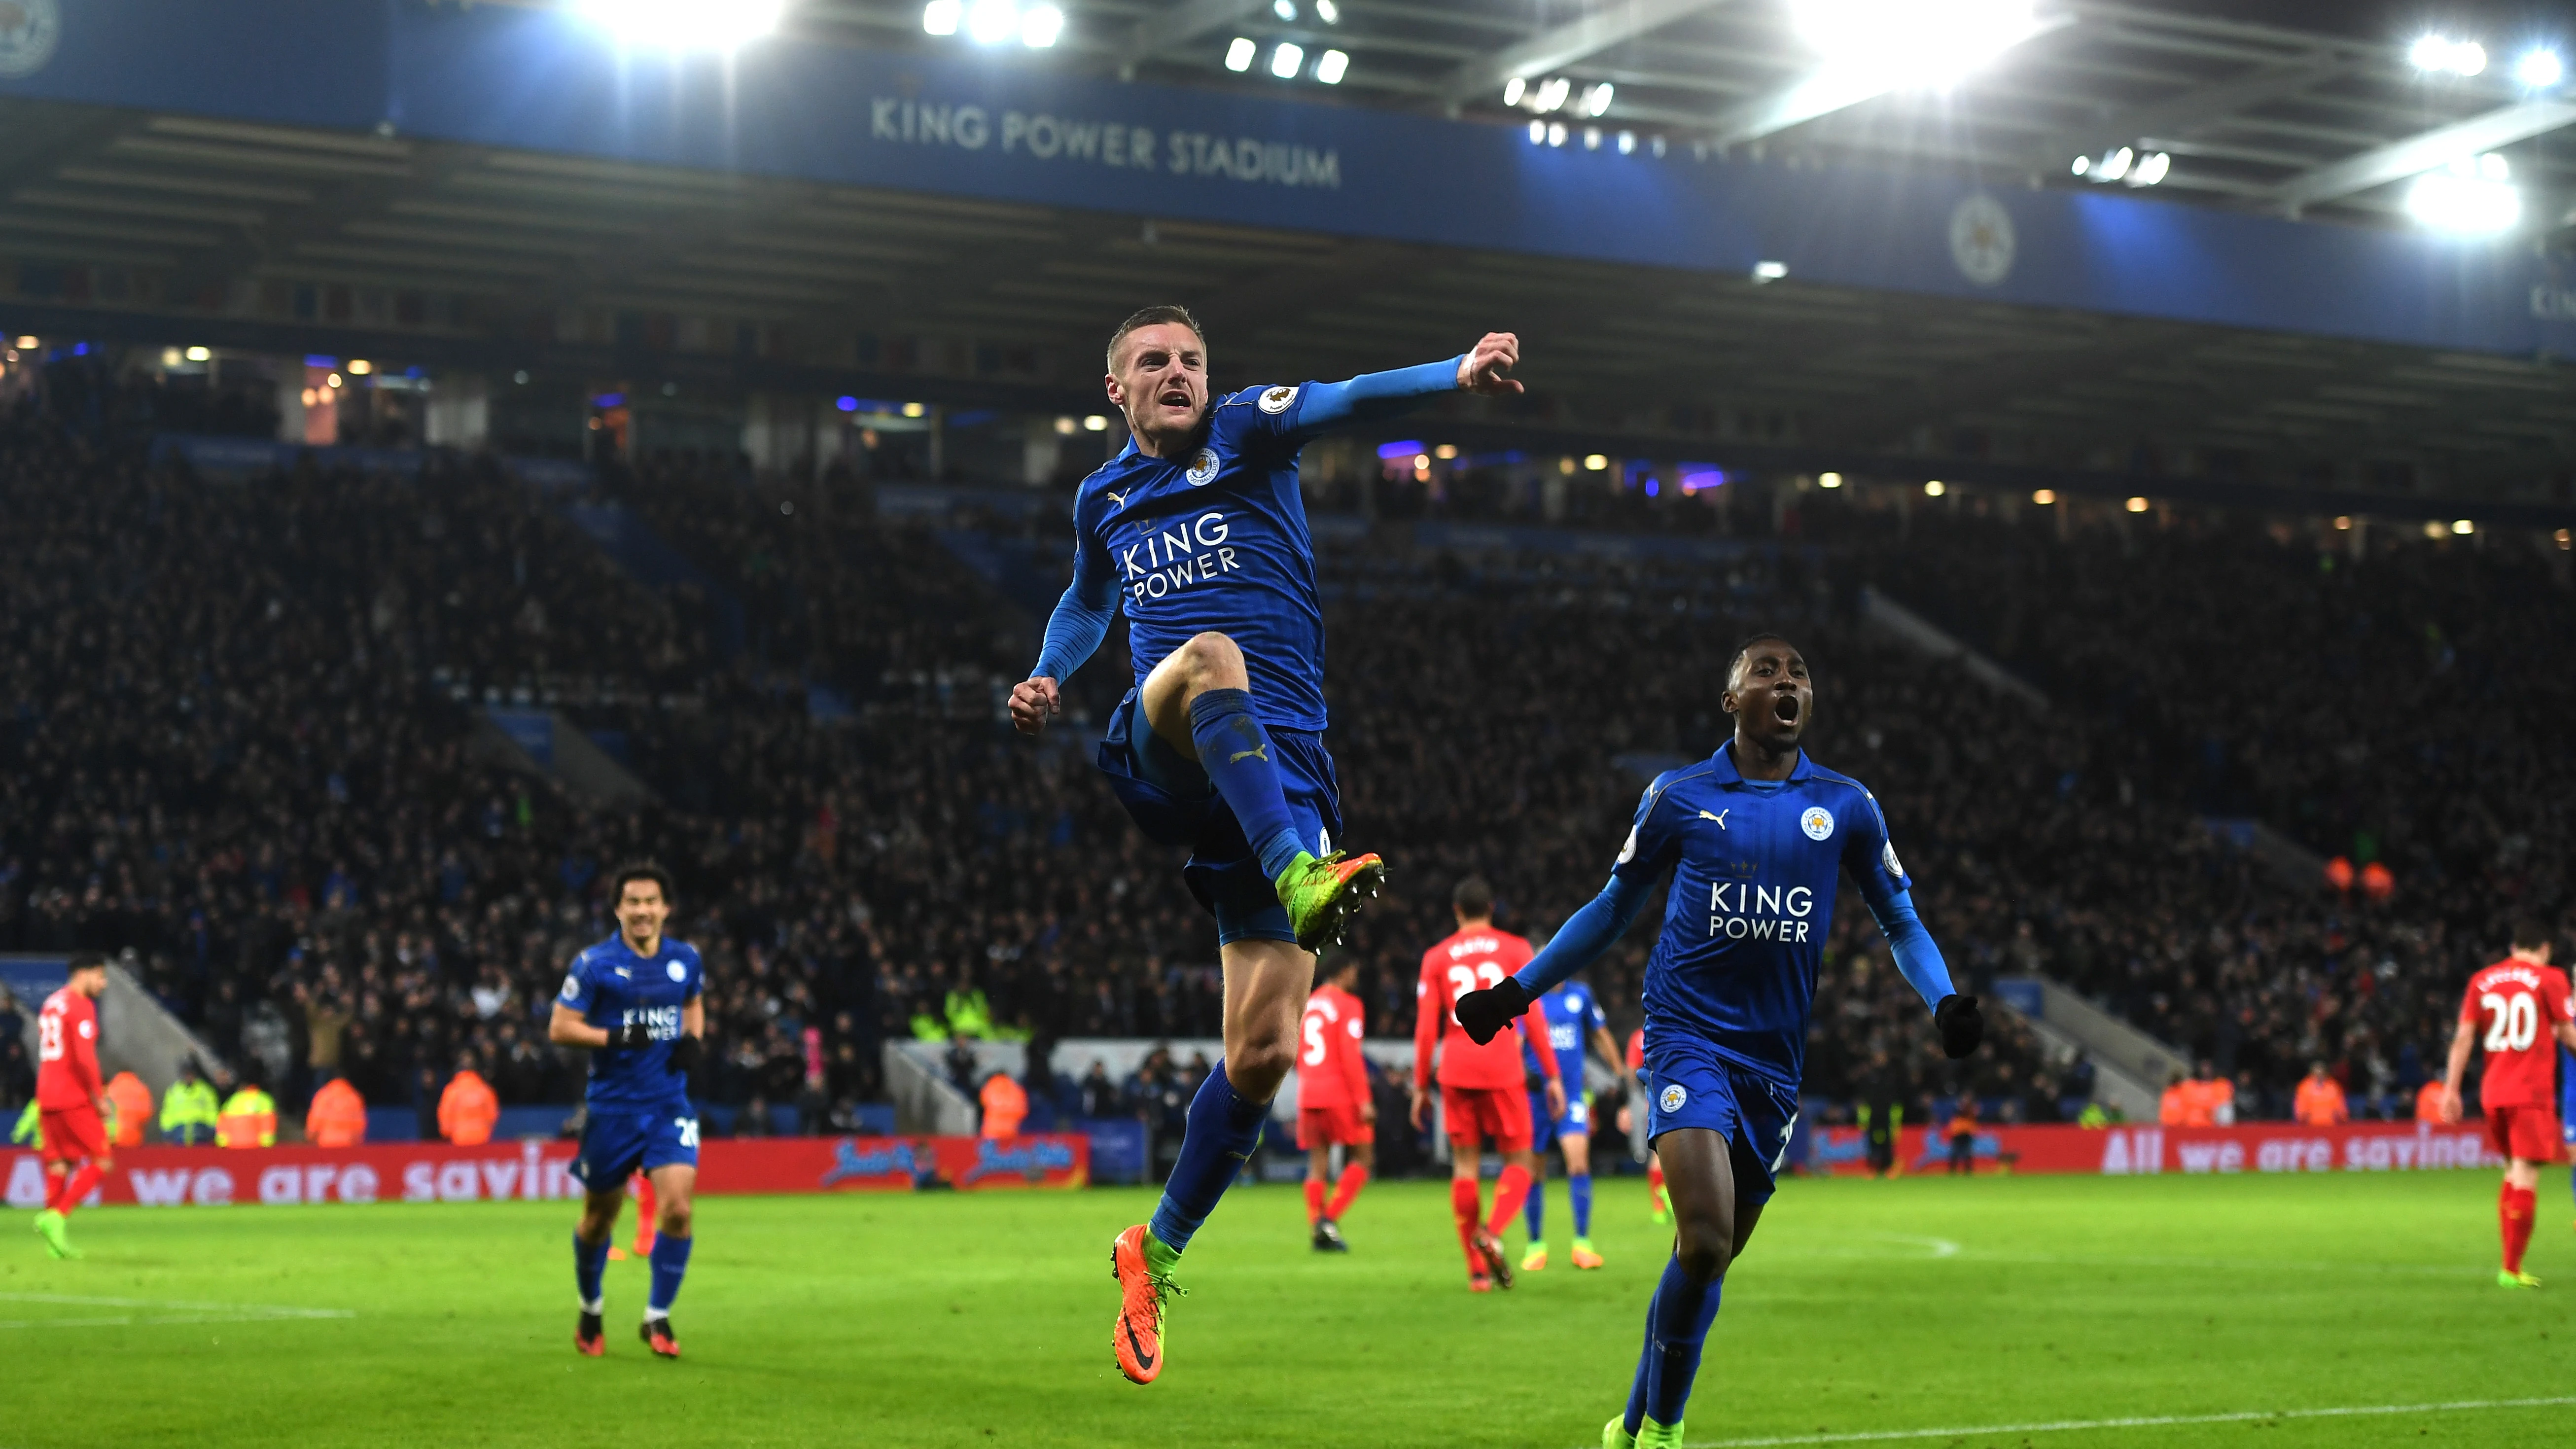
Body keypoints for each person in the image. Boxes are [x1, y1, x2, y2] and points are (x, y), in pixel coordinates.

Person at [1008, 303, 1524, 1385]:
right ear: (1117, 390)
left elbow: (1350, 393)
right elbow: (1084, 597)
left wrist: (1456, 370)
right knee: (1206, 650)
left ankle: (1149, 1250)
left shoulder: (1249, 429)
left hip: (1281, 772)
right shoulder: (1104, 494)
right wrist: (1052, 669)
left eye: (1191, 358)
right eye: (1153, 361)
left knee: (1261, 1052)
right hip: (1162, 742)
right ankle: (1296, 872)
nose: (1178, 373)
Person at [1451, 634, 1982, 1449]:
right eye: (1766, 671)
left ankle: (1634, 1421)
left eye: (1799, 671)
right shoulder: (1680, 795)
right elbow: (1610, 907)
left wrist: (1944, 1000)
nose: (1786, 680)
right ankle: (1666, 1425)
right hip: (1684, 1034)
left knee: (1707, 1256)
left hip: (1772, 1064)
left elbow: (1900, 918)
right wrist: (1515, 993)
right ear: (1733, 701)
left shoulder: (1847, 804)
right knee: (1701, 1233)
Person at [550, 862, 706, 1358]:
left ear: (665, 908)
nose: (642, 910)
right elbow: (560, 1026)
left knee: (678, 1209)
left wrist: (693, 1040)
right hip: (613, 1109)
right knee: (599, 1220)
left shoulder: (685, 959)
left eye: (650, 901)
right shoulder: (594, 963)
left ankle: (657, 1316)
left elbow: (693, 1002)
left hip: (668, 1103)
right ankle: (590, 1306)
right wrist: (613, 1036)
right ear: (618, 908)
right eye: (632, 901)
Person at [1412, 876, 1564, 1291]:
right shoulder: (1516, 948)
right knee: (1520, 1162)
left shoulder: (1437, 957)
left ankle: (1476, 1271)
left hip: (1457, 1069)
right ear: (1491, 908)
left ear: (1457, 911)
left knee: (1464, 1166)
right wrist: (1552, 1076)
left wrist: (1420, 1086)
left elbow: (1426, 1028)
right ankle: (1492, 1231)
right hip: (1501, 1067)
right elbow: (1533, 1017)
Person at [2440, 919, 2576, 1290]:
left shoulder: (2481, 980)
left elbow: (2464, 1036)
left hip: (2493, 1093)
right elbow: (2567, 1033)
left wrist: (2450, 1089)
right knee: (2526, 1174)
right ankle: (2511, 1269)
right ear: (2544, 949)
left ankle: (2509, 1267)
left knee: (2511, 1171)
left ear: (2513, 946)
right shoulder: (2550, 978)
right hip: (2529, 1092)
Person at [1519, 971, 1621, 1272]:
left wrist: (1619, 1074)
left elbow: (1600, 1034)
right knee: (1533, 1171)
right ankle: (1536, 1245)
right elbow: (1516, 1042)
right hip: (1536, 1096)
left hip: (1573, 1094)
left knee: (1578, 1163)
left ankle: (1582, 1244)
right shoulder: (1530, 998)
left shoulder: (1581, 995)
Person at [31, 952, 112, 1259]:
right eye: (101, 977)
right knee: (102, 1160)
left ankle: (55, 1244)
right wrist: (99, 1097)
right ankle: (57, 1216)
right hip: (71, 1095)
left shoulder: (52, 1002)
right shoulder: (81, 1006)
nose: (103, 984)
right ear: (85, 973)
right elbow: (84, 1056)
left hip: (47, 1093)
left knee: (59, 1164)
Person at [1295, 956, 1374, 1252]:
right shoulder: (1348, 1004)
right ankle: (1326, 1220)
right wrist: (1363, 1100)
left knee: (1318, 1164)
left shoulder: (1310, 1003)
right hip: (1338, 1093)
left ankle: (1319, 1229)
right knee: (1364, 1157)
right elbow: (1350, 1055)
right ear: (1345, 970)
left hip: (1310, 1091)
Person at [437, 1057, 499, 1146]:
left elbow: (445, 1112)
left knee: (463, 1160)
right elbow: (492, 1114)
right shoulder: (485, 1089)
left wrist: (446, 1132)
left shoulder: (452, 1090)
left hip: (459, 1137)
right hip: (482, 1136)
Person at [159, 1059, 221, 1146]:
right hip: (179, 1130)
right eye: (186, 1074)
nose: (189, 1077)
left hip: (200, 1129)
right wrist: (166, 1130)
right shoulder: (174, 1091)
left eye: (191, 1074)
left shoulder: (205, 1090)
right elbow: (168, 1112)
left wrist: (213, 1128)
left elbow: (212, 1110)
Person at [305, 1075, 367, 1147]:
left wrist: (310, 1137)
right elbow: (359, 1125)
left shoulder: (323, 1096)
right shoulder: (354, 1098)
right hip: (348, 1142)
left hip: (326, 1142)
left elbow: (315, 1119)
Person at [217, 1076, 277, 1149]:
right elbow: (268, 1122)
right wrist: (267, 1143)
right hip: (255, 1144)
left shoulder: (233, 1099)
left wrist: (222, 1143)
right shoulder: (263, 1099)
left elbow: (223, 1122)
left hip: (234, 1144)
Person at [102, 1070, 151, 1149]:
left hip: (112, 1141)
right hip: (135, 1139)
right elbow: (147, 1113)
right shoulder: (141, 1089)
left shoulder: (112, 1089)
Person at [2292, 1062, 2348, 1127]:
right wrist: (2303, 1118)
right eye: (2316, 1074)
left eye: (2321, 1073)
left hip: (2331, 1125)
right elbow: (2300, 1107)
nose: (2319, 1076)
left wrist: (2341, 1117)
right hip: (2310, 1126)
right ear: (2311, 1074)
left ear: (2325, 1073)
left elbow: (2341, 1107)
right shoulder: (2304, 1087)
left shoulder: (2334, 1086)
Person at [980, 1069, 1028, 1139]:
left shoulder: (990, 1086)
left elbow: (983, 1102)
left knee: (991, 1149)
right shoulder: (1017, 1089)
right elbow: (1023, 1110)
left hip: (992, 1130)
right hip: (1012, 1130)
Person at [1944, 1091, 1978, 1174]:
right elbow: (1959, 1113)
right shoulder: (1958, 1107)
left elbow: (1973, 1115)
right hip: (1958, 1134)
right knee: (1955, 1153)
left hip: (1967, 1134)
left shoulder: (1971, 1108)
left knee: (1967, 1153)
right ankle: (1952, 1170)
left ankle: (1968, 1170)